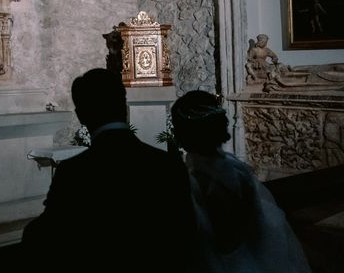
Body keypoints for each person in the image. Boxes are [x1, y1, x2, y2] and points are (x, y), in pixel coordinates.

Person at [21, 68, 197, 270]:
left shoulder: (74, 173)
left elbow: (45, 237)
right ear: (123, 105)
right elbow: (187, 236)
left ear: (81, 115)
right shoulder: (168, 166)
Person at [170, 90, 312, 273]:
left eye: (176, 127)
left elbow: (225, 241)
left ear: (186, 133)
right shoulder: (234, 167)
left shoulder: (208, 179)